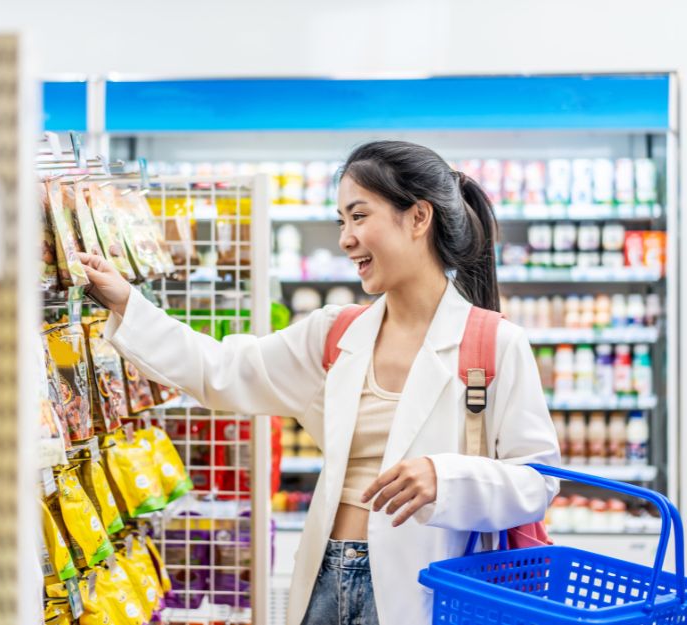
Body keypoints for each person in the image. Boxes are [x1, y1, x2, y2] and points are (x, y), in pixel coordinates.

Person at [79, 140, 560, 625]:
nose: (346, 238)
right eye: (341, 221)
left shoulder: (494, 343)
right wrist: (126, 303)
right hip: (325, 579)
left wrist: (448, 477)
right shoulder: (335, 334)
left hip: (428, 588)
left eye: (359, 216)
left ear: (418, 218)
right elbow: (222, 370)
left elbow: (538, 481)